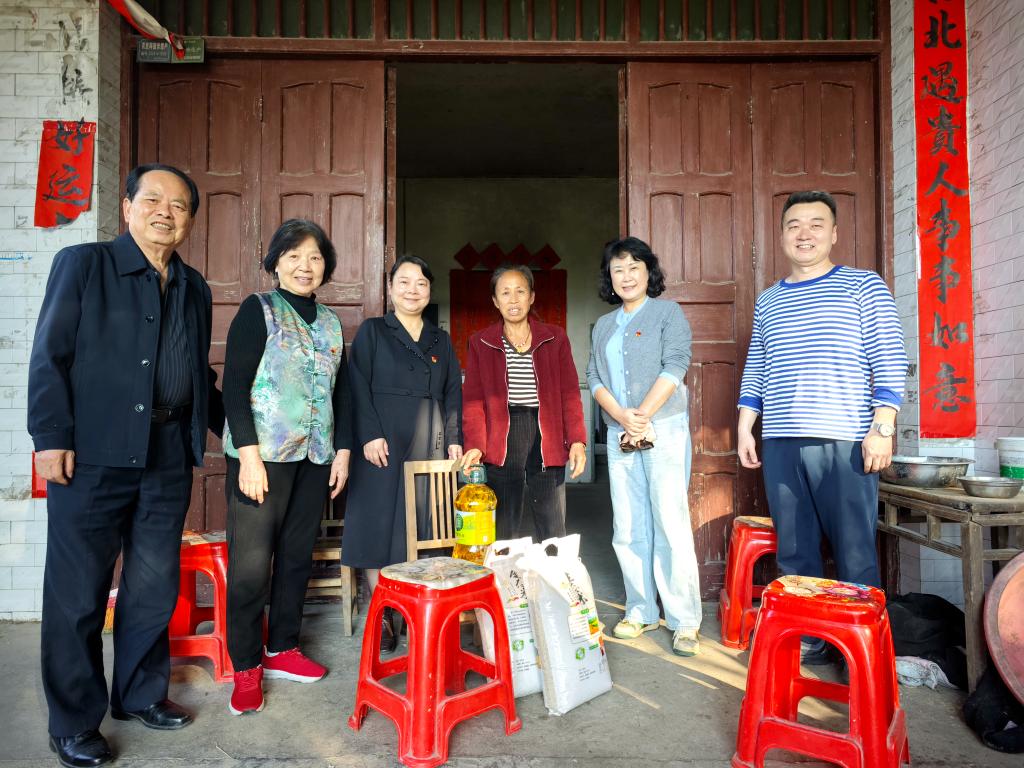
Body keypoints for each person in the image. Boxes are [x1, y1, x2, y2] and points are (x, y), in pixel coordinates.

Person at [28, 164, 222, 768]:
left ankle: (139, 695)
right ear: (128, 207)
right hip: (92, 453)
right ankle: (74, 722)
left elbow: (199, 375)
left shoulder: (193, 286)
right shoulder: (84, 266)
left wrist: (242, 434)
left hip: (166, 453)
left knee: (152, 587)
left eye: (181, 205)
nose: (167, 212)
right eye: (155, 200)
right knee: (78, 593)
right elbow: (49, 354)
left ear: (191, 219)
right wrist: (51, 436)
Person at [736, 190, 908, 665]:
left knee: (855, 550)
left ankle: (861, 649)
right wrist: (746, 426)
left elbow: (890, 359)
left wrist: (884, 427)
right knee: (795, 551)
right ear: (783, 236)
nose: (804, 233)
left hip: (845, 440)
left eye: (816, 224)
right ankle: (810, 636)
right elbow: (758, 366)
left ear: (833, 233)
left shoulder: (863, 286)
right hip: (782, 442)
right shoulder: (769, 299)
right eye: (794, 225)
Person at [220, 219, 352, 715]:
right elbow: (234, 387)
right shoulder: (258, 311)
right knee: (252, 566)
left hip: (315, 456)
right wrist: (248, 456)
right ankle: (248, 667)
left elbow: (340, 393)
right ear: (276, 262)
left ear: (326, 267)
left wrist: (340, 450)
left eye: (315, 257)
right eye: (294, 256)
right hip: (264, 458)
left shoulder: (333, 323)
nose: (305, 265)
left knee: (298, 556)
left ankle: (284, 649)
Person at [586, 237, 702, 657]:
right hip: (621, 433)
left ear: (648, 271)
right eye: (618, 269)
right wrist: (622, 417)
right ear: (610, 278)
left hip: (663, 428)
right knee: (629, 524)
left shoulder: (668, 313)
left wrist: (642, 416)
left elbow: (677, 363)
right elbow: (594, 375)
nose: (627, 275)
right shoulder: (602, 325)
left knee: (669, 522)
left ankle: (683, 619)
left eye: (634, 266)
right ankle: (640, 609)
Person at [341, 255, 463, 653]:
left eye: (421, 283)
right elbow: (356, 385)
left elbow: (452, 393)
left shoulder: (439, 339)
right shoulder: (374, 331)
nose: (413, 290)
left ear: (430, 291)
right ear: (390, 289)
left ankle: (415, 607)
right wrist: (370, 434)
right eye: (404, 282)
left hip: (429, 439)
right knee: (378, 524)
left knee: (423, 524)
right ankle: (384, 610)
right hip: (381, 441)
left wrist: (455, 437)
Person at [461, 265, 587, 541]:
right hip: (503, 434)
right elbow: (473, 400)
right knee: (504, 523)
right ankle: (507, 582)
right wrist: (475, 446)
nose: (513, 299)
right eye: (505, 293)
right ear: (495, 301)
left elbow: (570, 393)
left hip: (547, 432)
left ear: (532, 297)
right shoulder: (481, 342)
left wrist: (577, 440)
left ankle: (552, 581)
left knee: (552, 522)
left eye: (520, 291)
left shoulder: (555, 338)